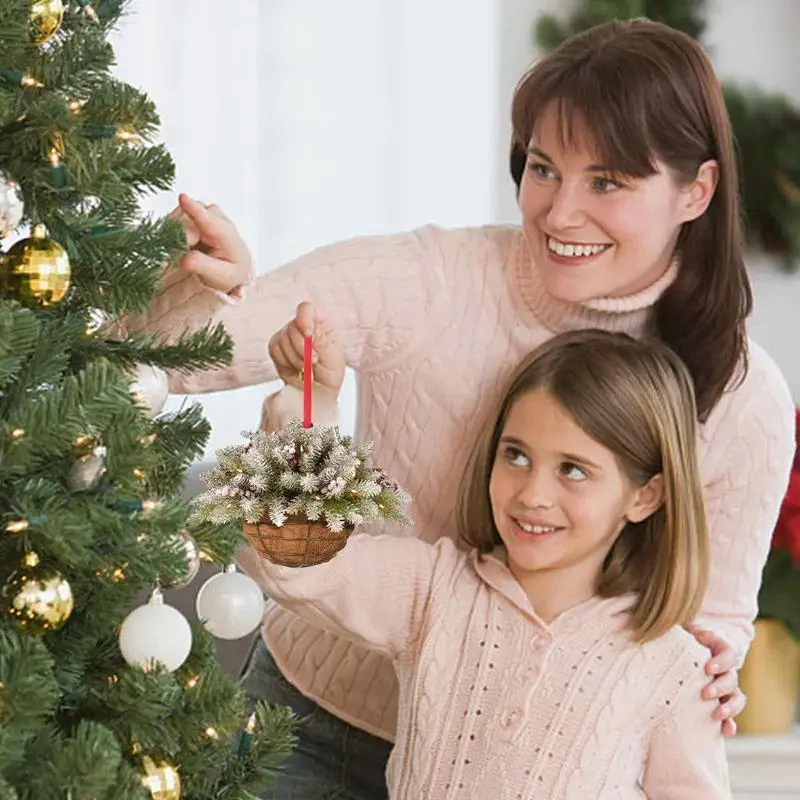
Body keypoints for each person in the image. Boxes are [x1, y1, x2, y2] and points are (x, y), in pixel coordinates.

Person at [124, 18, 795, 800]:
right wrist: (197, 282)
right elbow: (171, 355)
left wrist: (709, 670)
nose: (559, 212)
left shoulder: (745, 398)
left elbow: (702, 626)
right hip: (310, 725)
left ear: (697, 190)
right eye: (543, 168)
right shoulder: (433, 280)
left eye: (608, 182)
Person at [244, 328, 731, 799]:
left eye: (573, 470)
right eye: (516, 456)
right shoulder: (433, 591)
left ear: (646, 496)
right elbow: (294, 562)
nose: (533, 494)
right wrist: (311, 404)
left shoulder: (674, 669)